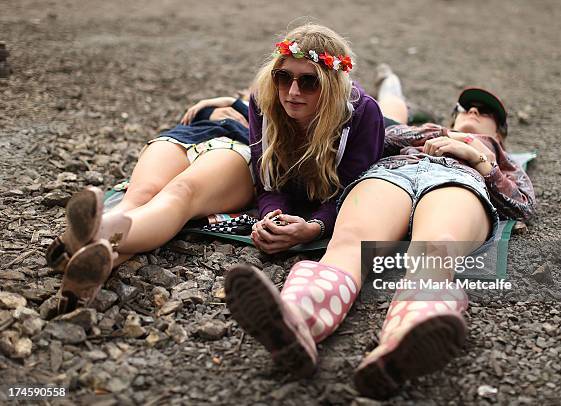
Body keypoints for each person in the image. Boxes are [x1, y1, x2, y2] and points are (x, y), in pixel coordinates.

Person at [225, 65, 536, 398]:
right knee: (350, 242)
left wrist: (478, 158)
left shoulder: (498, 157)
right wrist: (435, 136)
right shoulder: (424, 130)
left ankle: (402, 345)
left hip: (457, 182)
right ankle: (296, 319)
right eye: (466, 108)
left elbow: (521, 204)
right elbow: (376, 137)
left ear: (500, 133)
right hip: (392, 174)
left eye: (486, 111)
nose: (473, 111)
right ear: (453, 118)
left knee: (436, 250)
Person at [46, 23, 385, 315]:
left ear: (332, 84)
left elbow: (354, 191)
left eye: (309, 82)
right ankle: (93, 244)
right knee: (144, 194)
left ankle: (85, 239)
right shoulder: (264, 99)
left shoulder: (360, 115)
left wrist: (314, 226)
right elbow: (267, 177)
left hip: (231, 153)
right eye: (283, 77)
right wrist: (273, 214)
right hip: (193, 137)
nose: (293, 91)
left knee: (180, 193)